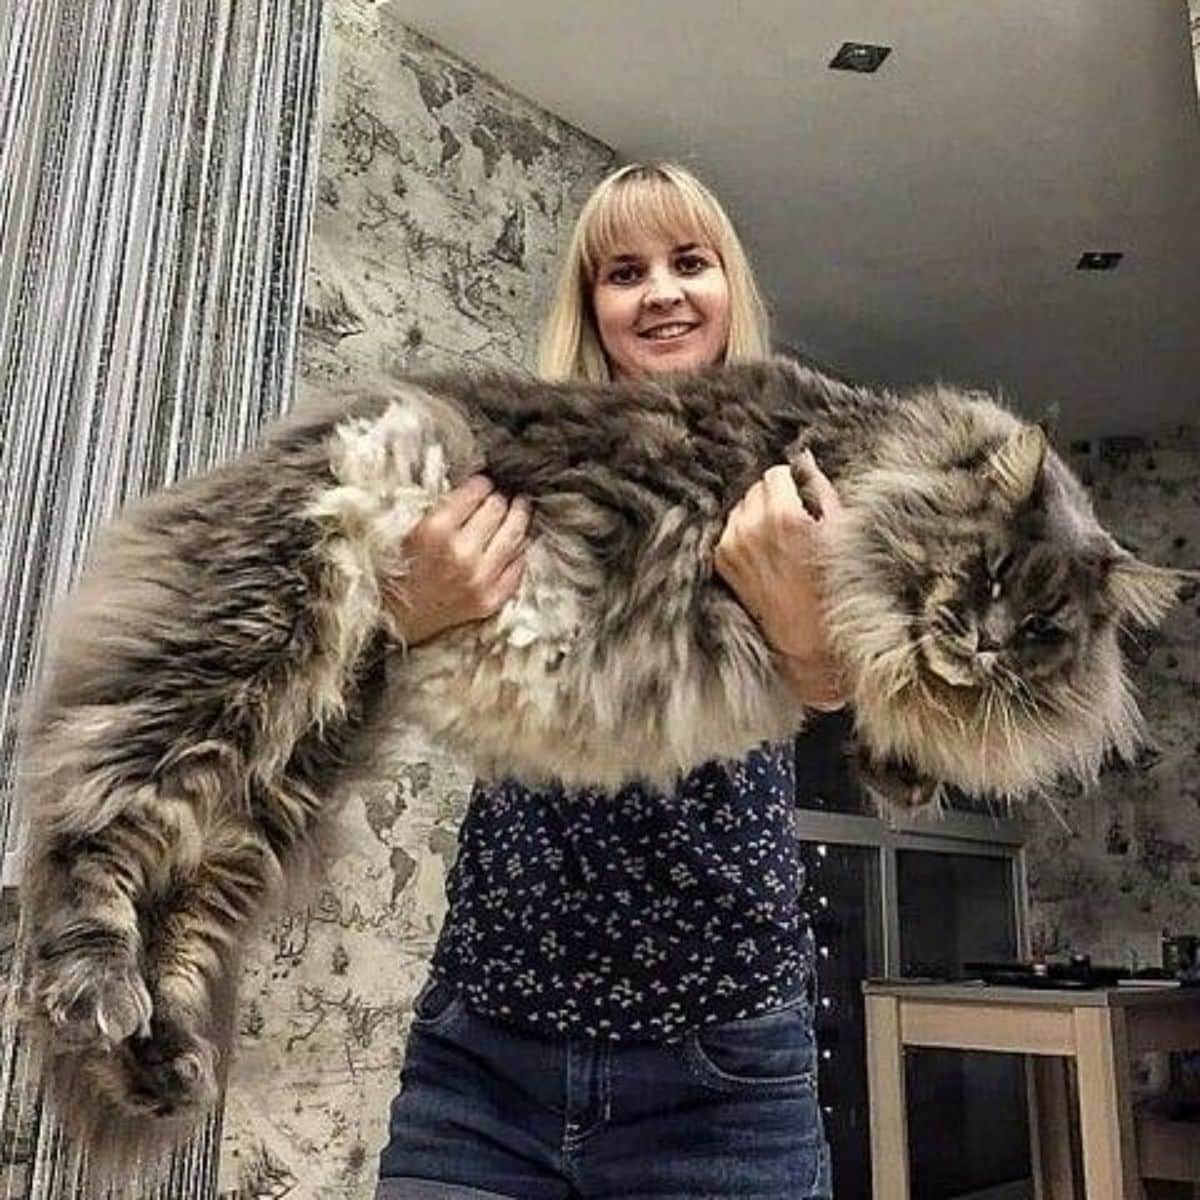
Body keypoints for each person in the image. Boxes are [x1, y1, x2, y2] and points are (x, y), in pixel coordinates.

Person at [375, 162, 841, 1200]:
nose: (662, 292)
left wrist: (811, 636)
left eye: (689, 262)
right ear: (592, 306)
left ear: (732, 286)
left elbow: (868, 702)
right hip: (480, 1054)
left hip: (721, 1070)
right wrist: (404, 613)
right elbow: (376, 659)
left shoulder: (797, 472)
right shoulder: (512, 457)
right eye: (623, 272)